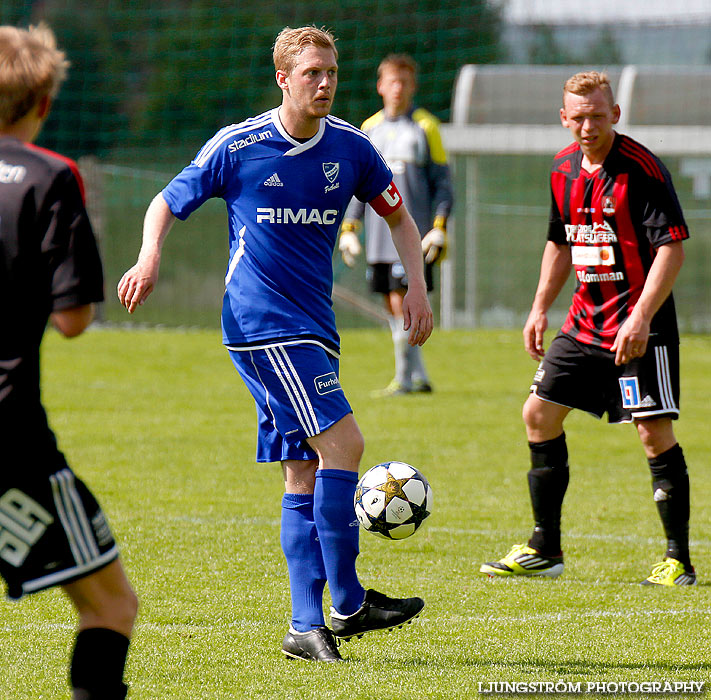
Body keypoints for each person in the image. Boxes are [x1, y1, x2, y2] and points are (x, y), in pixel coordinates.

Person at [117, 26, 432, 662]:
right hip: (262, 325)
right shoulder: (240, 145)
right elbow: (165, 201)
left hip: (315, 325)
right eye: (312, 73)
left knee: (305, 468)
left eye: (332, 73)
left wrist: (417, 288)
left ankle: (303, 624)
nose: (324, 83)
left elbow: (398, 216)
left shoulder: (354, 147)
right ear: (283, 79)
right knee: (345, 443)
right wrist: (149, 255)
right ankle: (346, 600)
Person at [480, 71, 695, 587]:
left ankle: (678, 561)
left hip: (640, 327)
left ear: (615, 114)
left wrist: (641, 317)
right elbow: (560, 242)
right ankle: (544, 549)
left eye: (597, 116)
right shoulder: (561, 170)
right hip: (583, 323)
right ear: (563, 118)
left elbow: (671, 248)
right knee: (538, 415)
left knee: (652, 432)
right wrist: (538, 308)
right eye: (577, 117)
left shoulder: (640, 169)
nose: (587, 126)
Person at [0, 23, 138, 699]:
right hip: (10, 435)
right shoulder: (50, 178)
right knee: (110, 606)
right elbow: (74, 318)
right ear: (43, 102)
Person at [338, 54, 453, 397]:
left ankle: (405, 378)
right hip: (377, 239)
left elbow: (443, 183)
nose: (398, 89)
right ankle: (417, 376)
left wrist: (440, 225)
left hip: (411, 237)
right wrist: (349, 227)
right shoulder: (368, 129)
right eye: (392, 81)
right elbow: (360, 185)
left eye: (404, 82)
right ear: (380, 87)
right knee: (394, 303)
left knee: (401, 303)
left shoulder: (426, 127)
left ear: (412, 87)